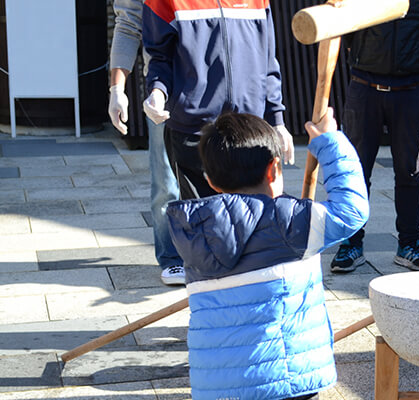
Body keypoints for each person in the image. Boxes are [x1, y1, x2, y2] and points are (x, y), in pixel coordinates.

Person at [166, 109, 368, 399]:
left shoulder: (196, 232)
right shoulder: (289, 222)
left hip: (216, 388)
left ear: (210, 180)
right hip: (284, 382)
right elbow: (352, 210)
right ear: (274, 169)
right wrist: (330, 142)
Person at [329, 0, 419, 273]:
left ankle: (410, 244)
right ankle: (351, 242)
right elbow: (347, 23)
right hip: (364, 86)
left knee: (409, 171)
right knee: (356, 171)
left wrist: (412, 60)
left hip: (409, 88)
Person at [141, 0, 294, 201]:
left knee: (254, 221)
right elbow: (160, 58)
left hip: (249, 132)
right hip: (192, 132)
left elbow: (268, 60)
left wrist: (277, 120)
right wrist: (157, 93)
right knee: (204, 223)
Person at [108, 0, 184, 285]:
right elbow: (128, 24)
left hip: (217, 80)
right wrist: (117, 88)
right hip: (163, 87)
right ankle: (172, 257)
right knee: (166, 180)